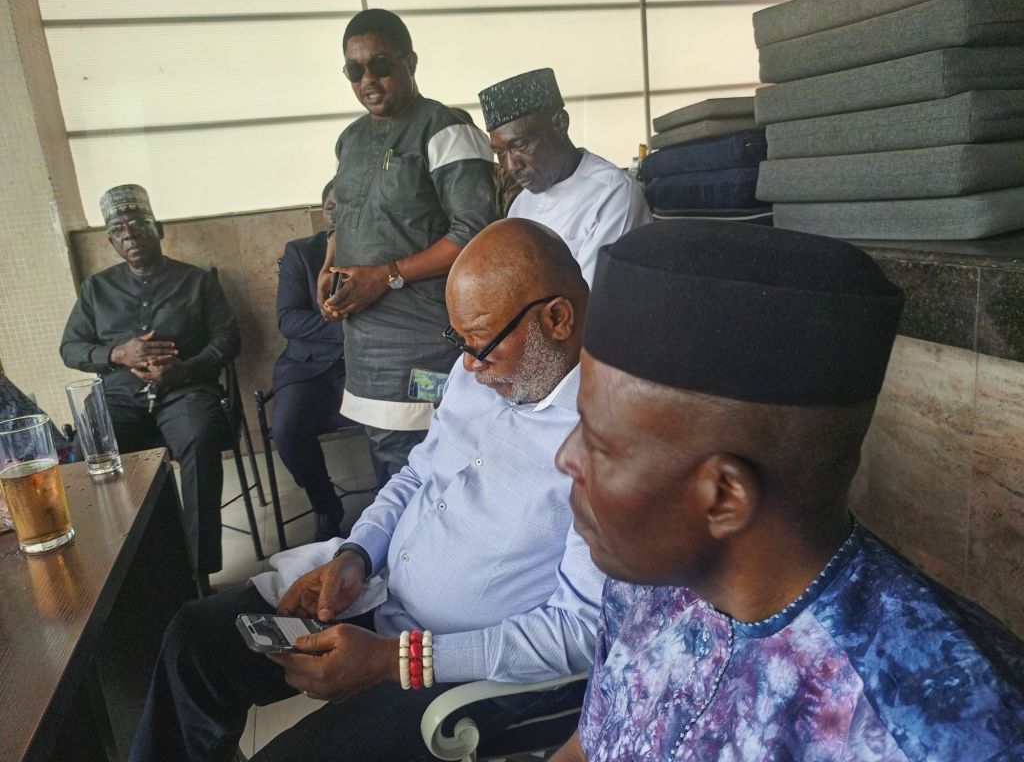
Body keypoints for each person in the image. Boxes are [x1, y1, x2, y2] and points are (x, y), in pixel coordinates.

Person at [129, 218, 604, 762]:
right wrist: (357, 554)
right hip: (379, 593)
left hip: (466, 666)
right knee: (196, 641)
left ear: (557, 318)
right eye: (461, 343)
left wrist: (394, 660)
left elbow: (578, 630)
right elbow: (416, 474)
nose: (469, 366)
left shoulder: (612, 440)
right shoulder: (481, 372)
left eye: (484, 347)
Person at [550, 221, 1024, 761]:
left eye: (599, 443)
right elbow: (587, 747)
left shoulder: (941, 735)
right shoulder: (651, 576)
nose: (565, 457)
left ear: (724, 497)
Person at [319, 9, 495, 488]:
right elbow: (347, 214)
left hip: (424, 341)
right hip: (365, 345)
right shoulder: (350, 140)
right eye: (354, 70)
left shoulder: (444, 129)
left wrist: (386, 275)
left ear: (410, 62)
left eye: (380, 65)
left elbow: (475, 233)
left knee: (436, 469)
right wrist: (329, 264)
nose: (368, 81)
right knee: (390, 467)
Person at [60, 184, 240, 591]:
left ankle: (199, 572)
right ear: (111, 242)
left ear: (158, 229)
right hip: (121, 396)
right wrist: (117, 354)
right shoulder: (95, 290)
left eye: (138, 225)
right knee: (95, 448)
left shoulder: (197, 281)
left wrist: (186, 368)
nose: (129, 235)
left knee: (200, 437)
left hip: (185, 389)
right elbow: (70, 347)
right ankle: (130, 568)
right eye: (118, 230)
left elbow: (229, 338)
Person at [479, 68, 651, 286]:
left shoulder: (613, 193)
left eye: (521, 145)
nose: (511, 166)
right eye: (500, 153)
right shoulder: (521, 204)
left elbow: (590, 295)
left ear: (560, 124)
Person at [271, 180, 348, 541]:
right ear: (322, 213)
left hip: (361, 365)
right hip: (306, 367)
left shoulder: (382, 250)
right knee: (286, 429)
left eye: (348, 207)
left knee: (388, 419)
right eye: (331, 208)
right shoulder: (300, 252)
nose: (338, 215)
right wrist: (348, 329)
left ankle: (390, 503)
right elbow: (288, 319)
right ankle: (326, 505)